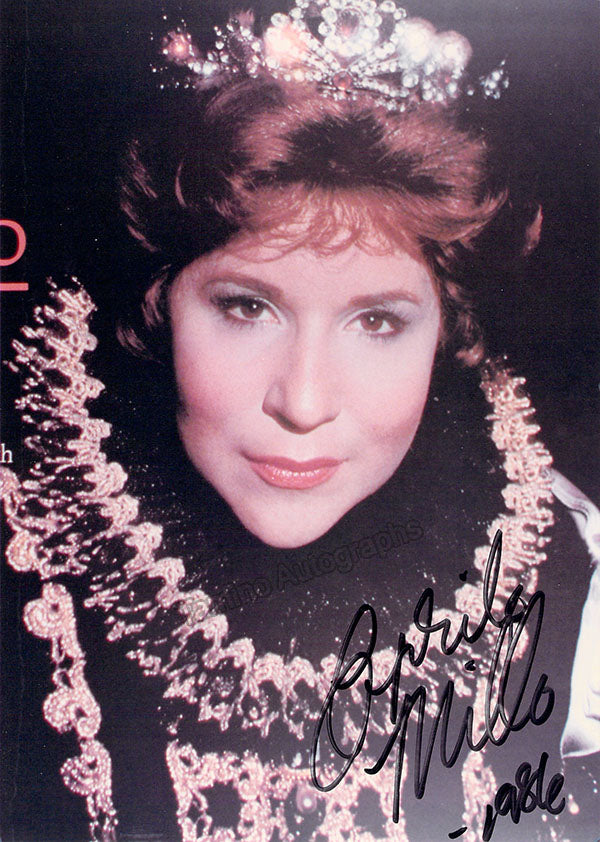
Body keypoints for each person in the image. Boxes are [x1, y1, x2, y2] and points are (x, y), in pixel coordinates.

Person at [1, 1, 598, 840]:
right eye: (246, 307)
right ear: (160, 299)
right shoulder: (22, 541)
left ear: (447, 327)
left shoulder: (568, 571)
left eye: (378, 321)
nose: (304, 402)